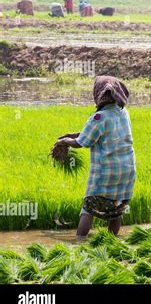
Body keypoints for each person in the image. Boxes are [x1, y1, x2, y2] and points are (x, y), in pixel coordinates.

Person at [54, 76, 135, 238]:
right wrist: (73, 135)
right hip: (127, 171)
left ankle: (80, 241)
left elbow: (82, 142)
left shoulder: (98, 117)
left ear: (98, 94)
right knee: (117, 209)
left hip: (105, 172)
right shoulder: (123, 112)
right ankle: (112, 241)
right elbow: (98, 133)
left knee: (88, 208)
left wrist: (64, 141)